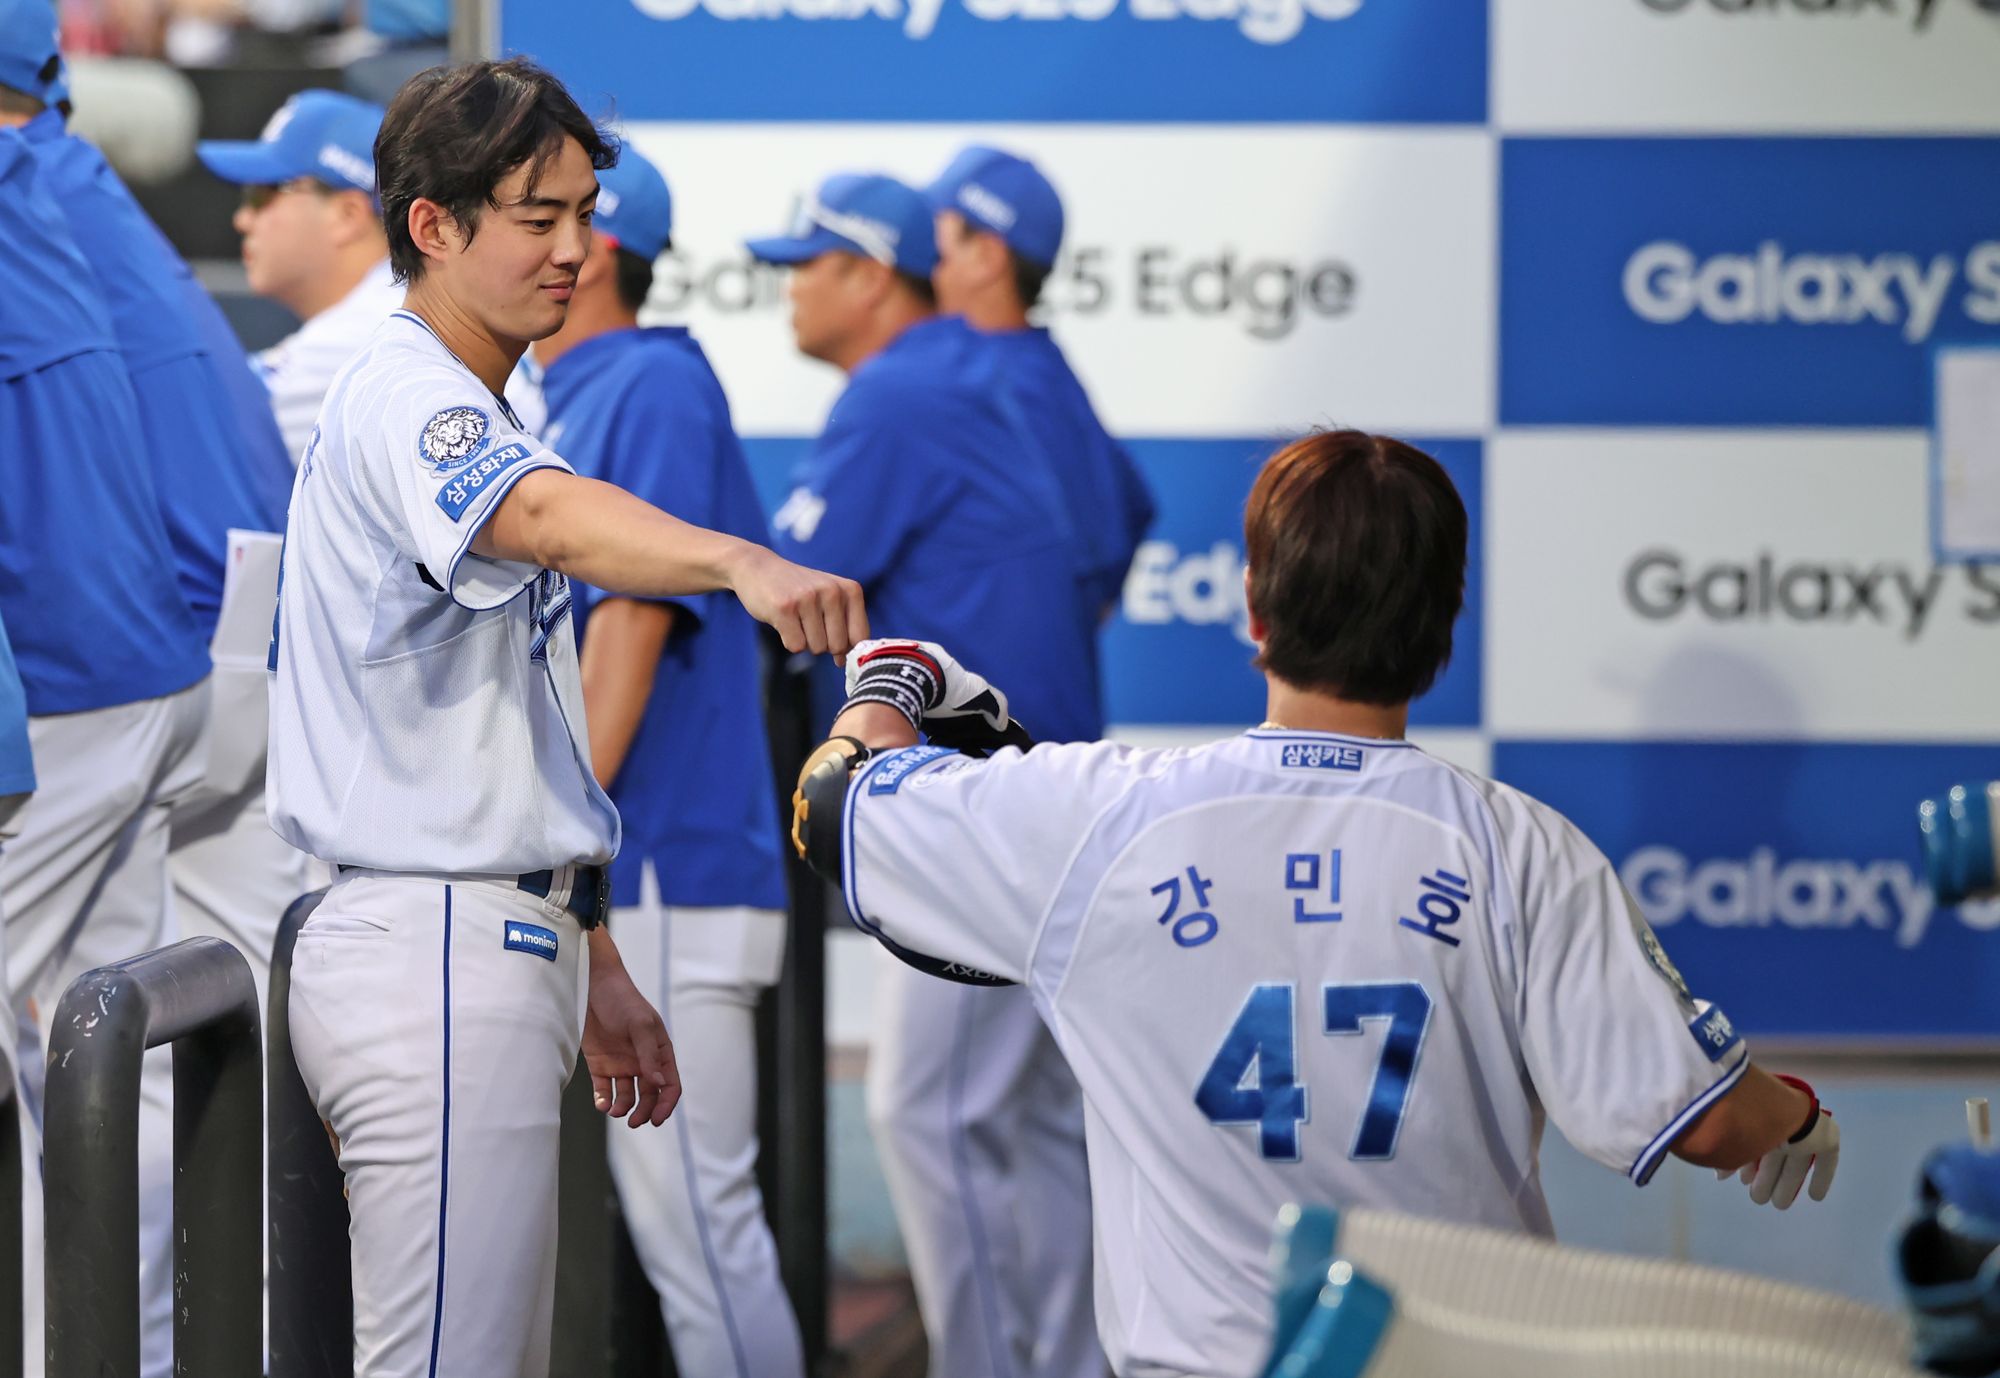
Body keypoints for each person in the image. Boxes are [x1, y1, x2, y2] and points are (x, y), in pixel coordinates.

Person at [788, 430, 1842, 1378]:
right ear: (1442, 622)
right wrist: (1791, 1113)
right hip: (1454, 1362)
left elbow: (833, 806)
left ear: (1253, 607)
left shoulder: (1100, 819)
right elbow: (1705, 1122)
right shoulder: (1522, 849)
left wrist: (893, 682)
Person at [267, 58, 864, 1374]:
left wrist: (587, 944)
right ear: (433, 225)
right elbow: (537, 516)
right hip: (424, 933)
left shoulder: (484, 386)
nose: (575, 248)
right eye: (537, 216)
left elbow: (512, 718)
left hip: (479, 925)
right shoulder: (409, 385)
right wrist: (737, 559)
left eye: (584, 214)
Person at [749, 171, 1100, 1378]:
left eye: (807, 262)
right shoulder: (990, 374)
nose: (789, 288)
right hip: (1048, 790)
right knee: (1031, 1120)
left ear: (869, 277)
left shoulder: (902, 387)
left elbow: (782, 592)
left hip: (980, 811)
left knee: (929, 1110)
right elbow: (1114, 526)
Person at [527, 145, 805, 1377]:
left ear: (592, 249)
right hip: (635, 873)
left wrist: (545, 839)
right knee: (677, 1230)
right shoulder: (569, 390)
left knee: (699, 1227)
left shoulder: (647, 383)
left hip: (664, 873)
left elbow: (625, 640)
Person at [0, 19, 212, 1375]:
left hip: (72, 692)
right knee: (98, 1069)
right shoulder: (50, 184)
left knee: (88, 1064)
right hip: (156, 665)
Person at [927, 143, 1154, 710]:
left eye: (935, 232)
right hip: (1036, 737)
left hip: (995, 749)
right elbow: (1128, 514)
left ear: (986, 256)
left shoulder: (985, 386)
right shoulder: (1043, 375)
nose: (915, 253)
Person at [199, 88, 403, 462]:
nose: (242, 219)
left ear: (346, 215)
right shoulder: (387, 309)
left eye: (264, 193)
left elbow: (187, 428)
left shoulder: (372, 333)